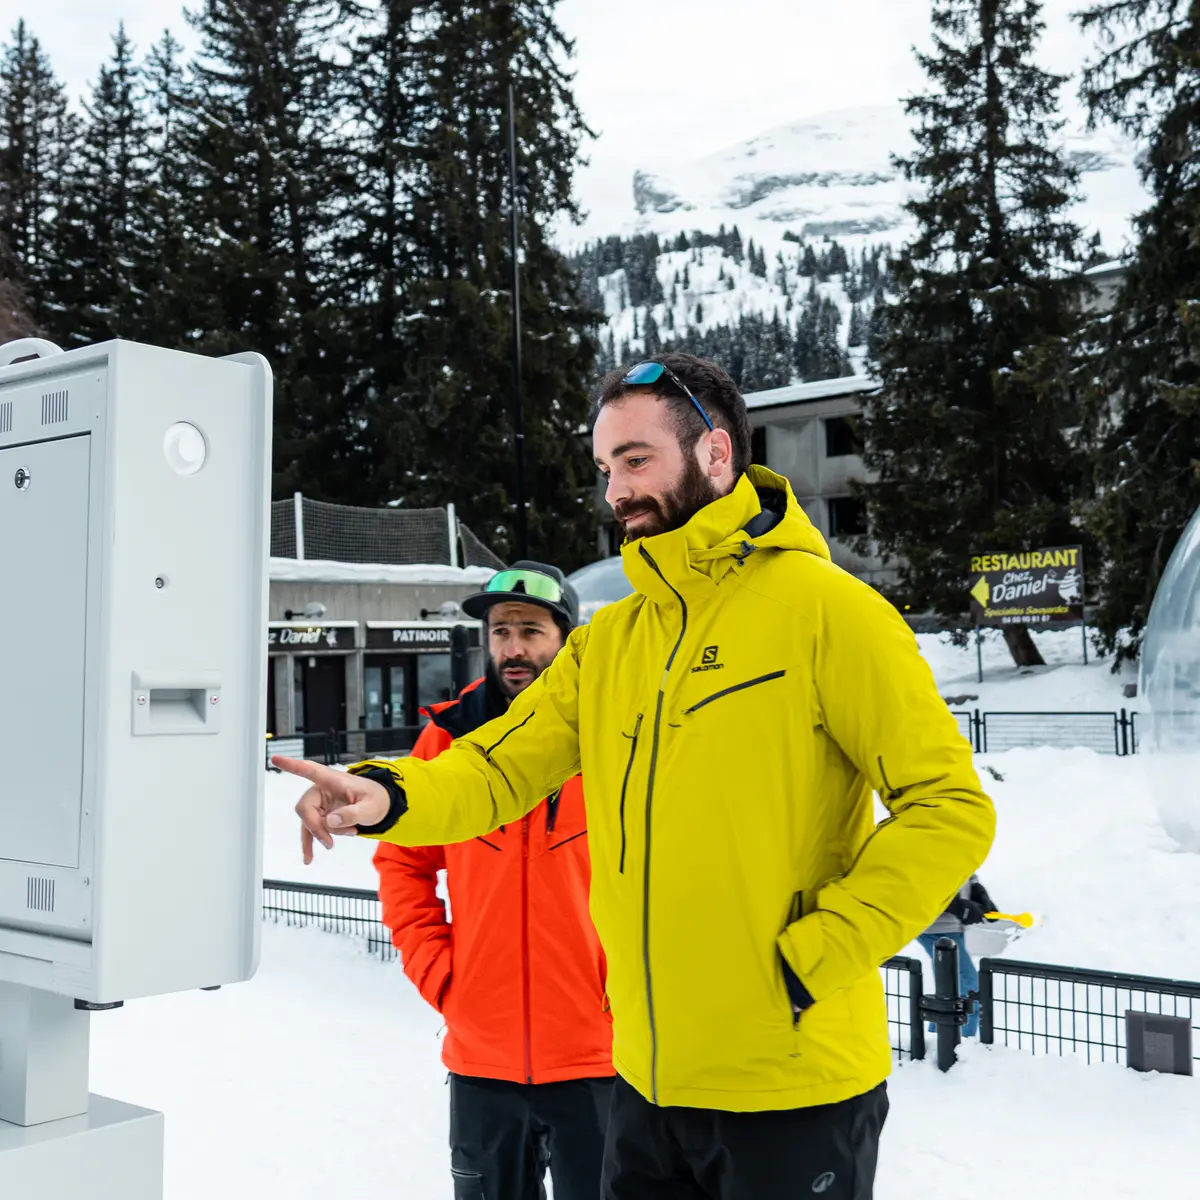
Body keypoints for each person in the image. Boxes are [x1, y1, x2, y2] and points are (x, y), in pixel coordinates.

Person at [281, 353, 996, 1200]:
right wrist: (390, 794)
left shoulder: (830, 613)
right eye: (604, 468)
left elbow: (949, 808)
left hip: (790, 1086)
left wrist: (811, 959)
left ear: (717, 455)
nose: (615, 490)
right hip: (643, 1086)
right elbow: (498, 770)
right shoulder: (611, 642)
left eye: (636, 459)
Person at [374, 562, 613, 1200]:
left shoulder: (609, 738)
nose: (513, 648)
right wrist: (443, 974)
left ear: (566, 637)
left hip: (598, 1053)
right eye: (501, 631)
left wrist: (621, 986)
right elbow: (404, 864)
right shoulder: (447, 740)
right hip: (482, 1055)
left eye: (531, 631)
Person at [917, 875, 997, 1039]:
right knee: (970, 989)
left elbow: (961, 864)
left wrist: (975, 888)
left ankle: (939, 1042)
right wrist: (956, 905)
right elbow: (922, 878)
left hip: (951, 926)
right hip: (937, 928)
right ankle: (958, 1046)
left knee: (949, 988)